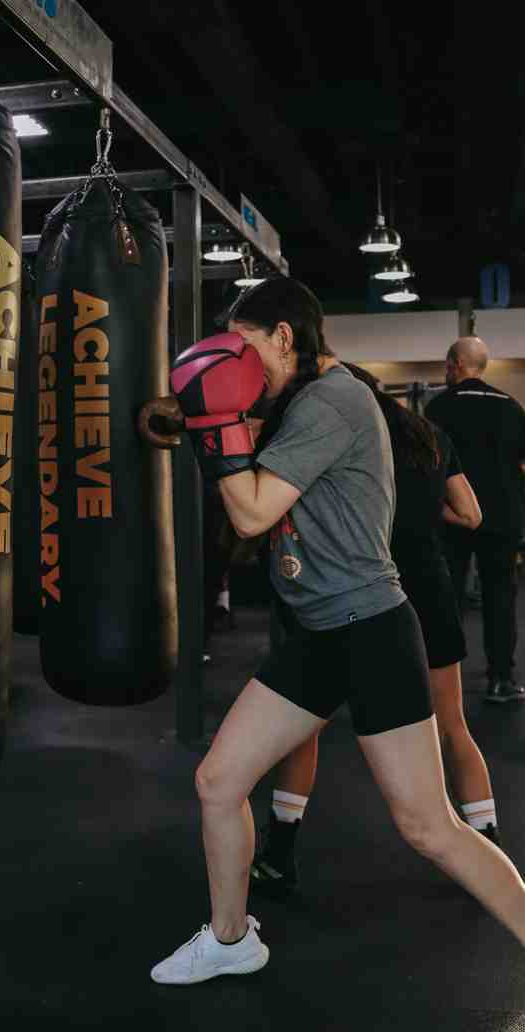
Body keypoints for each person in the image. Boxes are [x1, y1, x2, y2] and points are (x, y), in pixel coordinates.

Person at [150, 277, 525, 987]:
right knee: (219, 782)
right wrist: (201, 418)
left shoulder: (332, 401)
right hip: (320, 632)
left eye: (247, 347)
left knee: (429, 827)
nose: (241, 364)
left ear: (284, 337)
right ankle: (229, 939)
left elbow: (251, 514)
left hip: (370, 630)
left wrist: (214, 424)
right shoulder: (299, 401)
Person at [250, 363, 500, 903]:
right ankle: (487, 848)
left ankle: (278, 854)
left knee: (304, 732)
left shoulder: (331, 431)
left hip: (354, 595)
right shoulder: (429, 437)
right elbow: (471, 514)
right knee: (452, 725)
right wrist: (421, 516)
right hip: (425, 589)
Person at [425, 337, 525, 702]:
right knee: (501, 596)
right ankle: (501, 679)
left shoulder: (438, 408)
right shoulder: (511, 407)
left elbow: (427, 467)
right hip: (502, 520)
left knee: (446, 597)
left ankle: (442, 683)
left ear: (454, 364)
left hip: (454, 517)